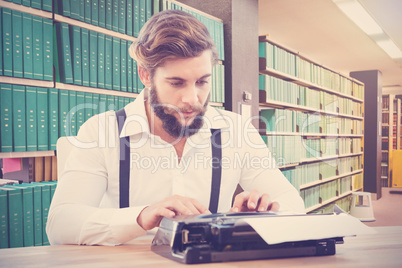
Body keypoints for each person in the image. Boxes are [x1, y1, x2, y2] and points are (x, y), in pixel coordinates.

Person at [46, 10, 305, 246]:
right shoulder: (100, 132)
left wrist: (261, 216)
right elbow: (60, 224)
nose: (192, 99)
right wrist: (141, 216)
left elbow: (292, 203)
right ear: (146, 75)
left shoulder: (236, 131)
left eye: (202, 82)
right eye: (177, 83)